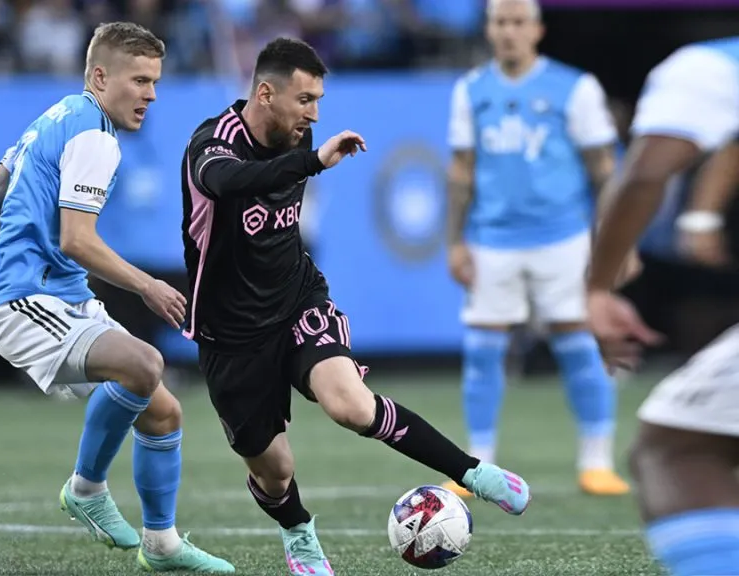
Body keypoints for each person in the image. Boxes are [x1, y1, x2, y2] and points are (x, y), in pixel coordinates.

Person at [180, 37, 531, 576]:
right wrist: (312, 162)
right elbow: (229, 181)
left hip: (296, 301)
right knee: (274, 470)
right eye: (305, 100)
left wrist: (308, 157)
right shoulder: (213, 143)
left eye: (318, 100)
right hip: (230, 334)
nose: (314, 115)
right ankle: (299, 533)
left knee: (351, 405)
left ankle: (474, 474)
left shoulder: (299, 135)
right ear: (266, 94)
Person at [0, 22, 234, 573]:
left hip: (62, 297)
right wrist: (148, 285)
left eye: (155, 82)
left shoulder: (58, 116)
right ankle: (86, 489)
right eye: (140, 81)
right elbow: (75, 240)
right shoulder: (95, 138)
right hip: (26, 302)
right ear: (100, 77)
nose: (151, 95)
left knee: (163, 412)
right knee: (144, 364)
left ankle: (162, 544)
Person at [443, 0, 629, 498]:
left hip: (561, 237)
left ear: (538, 29)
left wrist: (616, 240)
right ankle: (475, 464)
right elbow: (461, 171)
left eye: (518, 22)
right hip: (492, 239)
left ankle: (597, 462)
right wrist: (455, 241)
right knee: (482, 350)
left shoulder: (575, 87)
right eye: (500, 22)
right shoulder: (470, 89)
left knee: (577, 343)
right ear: (488, 29)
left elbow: (604, 170)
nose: (509, 32)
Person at [587, 36, 739, 576]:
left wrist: (597, 287)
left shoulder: (708, 64)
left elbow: (647, 172)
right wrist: (703, 215)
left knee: (675, 445)